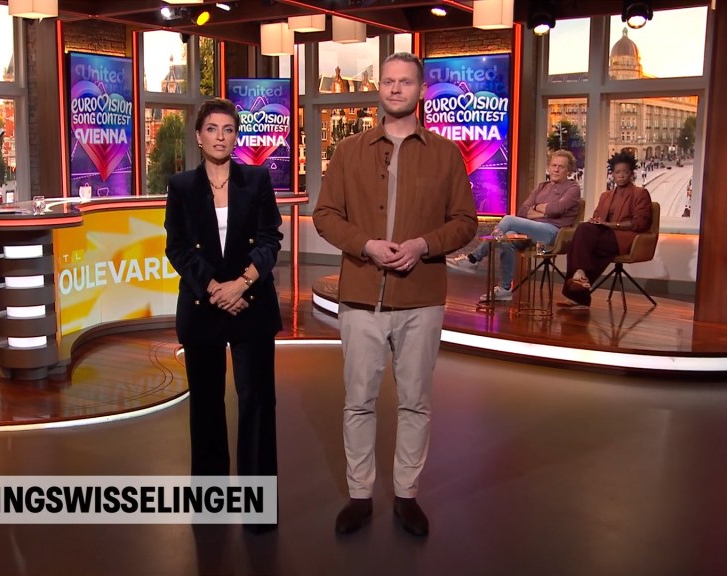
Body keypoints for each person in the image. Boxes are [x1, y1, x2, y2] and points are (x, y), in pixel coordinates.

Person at [312, 53, 477, 537]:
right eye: (388, 81)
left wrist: (424, 245)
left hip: (421, 298)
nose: (396, 88)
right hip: (361, 296)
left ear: (421, 91)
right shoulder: (349, 151)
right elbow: (325, 215)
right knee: (358, 401)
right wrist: (365, 245)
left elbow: (465, 222)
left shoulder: (446, 154)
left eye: (405, 82)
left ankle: (406, 495)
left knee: (416, 401)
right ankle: (359, 495)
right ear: (379, 88)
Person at [164, 98, 283, 534]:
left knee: (257, 403)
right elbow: (177, 247)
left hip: (251, 304)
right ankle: (211, 505)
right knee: (207, 406)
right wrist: (216, 288)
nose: (220, 136)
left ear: (236, 137)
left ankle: (257, 509)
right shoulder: (181, 186)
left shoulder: (257, 179)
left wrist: (242, 283)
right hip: (204, 307)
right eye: (212, 129)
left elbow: (270, 238)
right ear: (199, 136)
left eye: (228, 129)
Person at [448, 150, 581, 302]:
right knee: (507, 238)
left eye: (561, 167)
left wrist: (536, 209)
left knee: (508, 220)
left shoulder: (573, 188)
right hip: (532, 230)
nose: (556, 170)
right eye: (554, 165)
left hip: (553, 233)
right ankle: (505, 289)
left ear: (568, 170)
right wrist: (544, 212)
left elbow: (557, 209)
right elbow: (523, 210)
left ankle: (473, 258)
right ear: (549, 167)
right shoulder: (542, 186)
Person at [560, 151, 652, 309]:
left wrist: (611, 225)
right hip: (604, 237)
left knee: (582, 241)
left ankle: (578, 290)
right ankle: (580, 279)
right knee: (584, 230)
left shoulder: (640, 193)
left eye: (625, 172)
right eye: (617, 172)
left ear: (631, 174)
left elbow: (640, 223)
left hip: (625, 237)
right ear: (612, 175)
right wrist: (596, 222)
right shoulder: (605, 195)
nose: (621, 175)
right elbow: (597, 218)